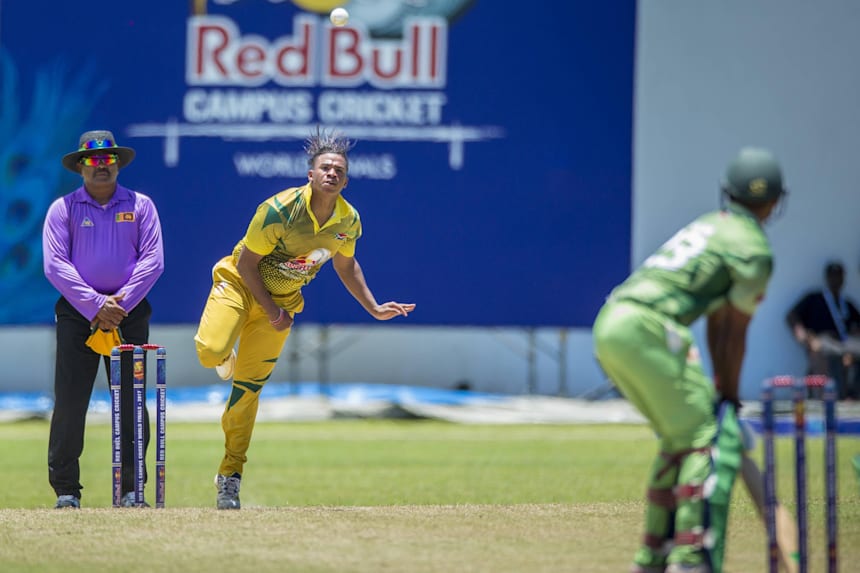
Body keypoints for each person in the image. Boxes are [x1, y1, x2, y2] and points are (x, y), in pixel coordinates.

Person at [194, 128, 415, 510]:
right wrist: (272, 311)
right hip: (240, 286)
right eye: (325, 167)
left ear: (345, 181)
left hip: (281, 302)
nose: (332, 173)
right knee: (210, 352)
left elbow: (346, 265)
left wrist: (374, 307)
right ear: (310, 174)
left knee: (247, 394)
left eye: (339, 170)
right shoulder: (279, 210)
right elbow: (247, 264)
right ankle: (226, 353)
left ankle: (230, 476)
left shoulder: (348, 221)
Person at [592, 147, 787, 573]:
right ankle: (692, 557)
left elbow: (719, 322)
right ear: (774, 201)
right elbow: (732, 332)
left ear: (728, 192)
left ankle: (654, 556)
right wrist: (728, 398)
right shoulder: (753, 250)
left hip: (611, 321)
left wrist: (722, 393)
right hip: (648, 327)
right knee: (709, 436)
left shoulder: (710, 225)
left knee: (680, 441)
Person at [42, 130, 165, 508]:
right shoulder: (63, 209)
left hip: (128, 314)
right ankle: (66, 491)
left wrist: (117, 305)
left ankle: (131, 490)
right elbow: (55, 265)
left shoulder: (141, 205)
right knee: (70, 401)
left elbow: (153, 261)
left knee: (131, 403)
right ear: (80, 166)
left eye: (108, 159)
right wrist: (96, 305)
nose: (101, 166)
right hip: (79, 315)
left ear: (118, 164)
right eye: (93, 160)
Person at [785, 260, 860, 400]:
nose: (836, 279)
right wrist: (804, 336)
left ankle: (854, 396)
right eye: (833, 275)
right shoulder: (814, 298)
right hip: (823, 340)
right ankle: (831, 397)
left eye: (839, 275)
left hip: (845, 342)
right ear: (827, 277)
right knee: (824, 351)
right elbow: (791, 316)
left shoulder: (847, 303)